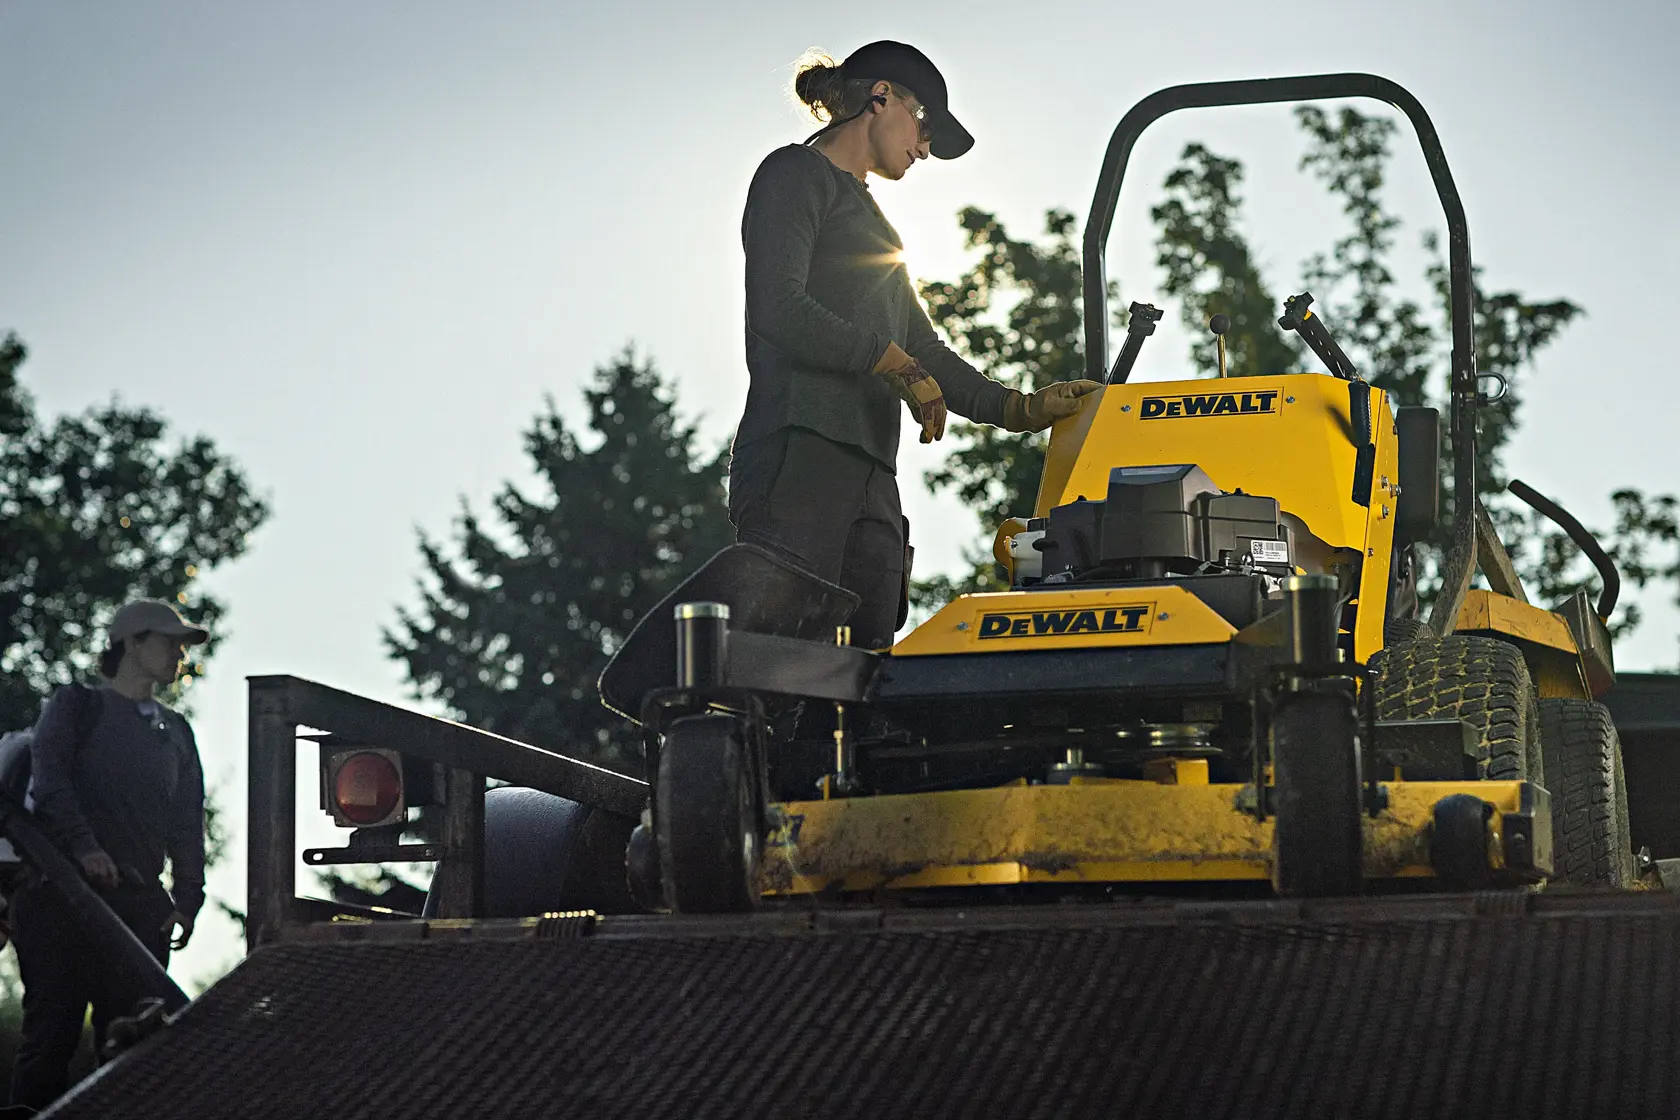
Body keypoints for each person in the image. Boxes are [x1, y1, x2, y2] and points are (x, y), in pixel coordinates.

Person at [731, 40, 1101, 650]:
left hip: (872, 474)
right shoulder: (794, 174)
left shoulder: (881, 229)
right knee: (779, 662)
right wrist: (889, 361)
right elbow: (779, 307)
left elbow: (923, 347)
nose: (926, 148)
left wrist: (1018, 409)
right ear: (880, 98)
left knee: (866, 673)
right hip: (799, 452)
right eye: (925, 123)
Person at [8, 599, 207, 1112]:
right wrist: (86, 848)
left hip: (139, 907)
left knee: (134, 1051)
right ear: (133, 644)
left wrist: (188, 897)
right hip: (61, 901)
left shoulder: (177, 731)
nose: (179, 654)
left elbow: (187, 821)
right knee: (51, 1039)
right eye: (169, 641)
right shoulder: (77, 705)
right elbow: (50, 782)